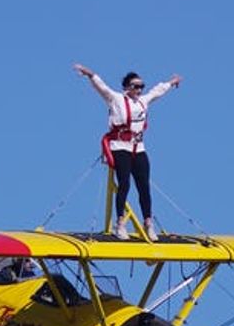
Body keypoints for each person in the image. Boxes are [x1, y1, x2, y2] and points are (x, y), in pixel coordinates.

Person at [74, 63, 181, 241]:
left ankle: (148, 223)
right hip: (119, 146)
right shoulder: (116, 99)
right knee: (124, 184)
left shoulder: (143, 101)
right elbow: (102, 88)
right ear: (126, 87)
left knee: (144, 187)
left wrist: (172, 82)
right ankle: (120, 223)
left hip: (138, 147)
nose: (139, 90)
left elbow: (157, 91)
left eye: (141, 86)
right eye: (135, 86)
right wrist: (89, 74)